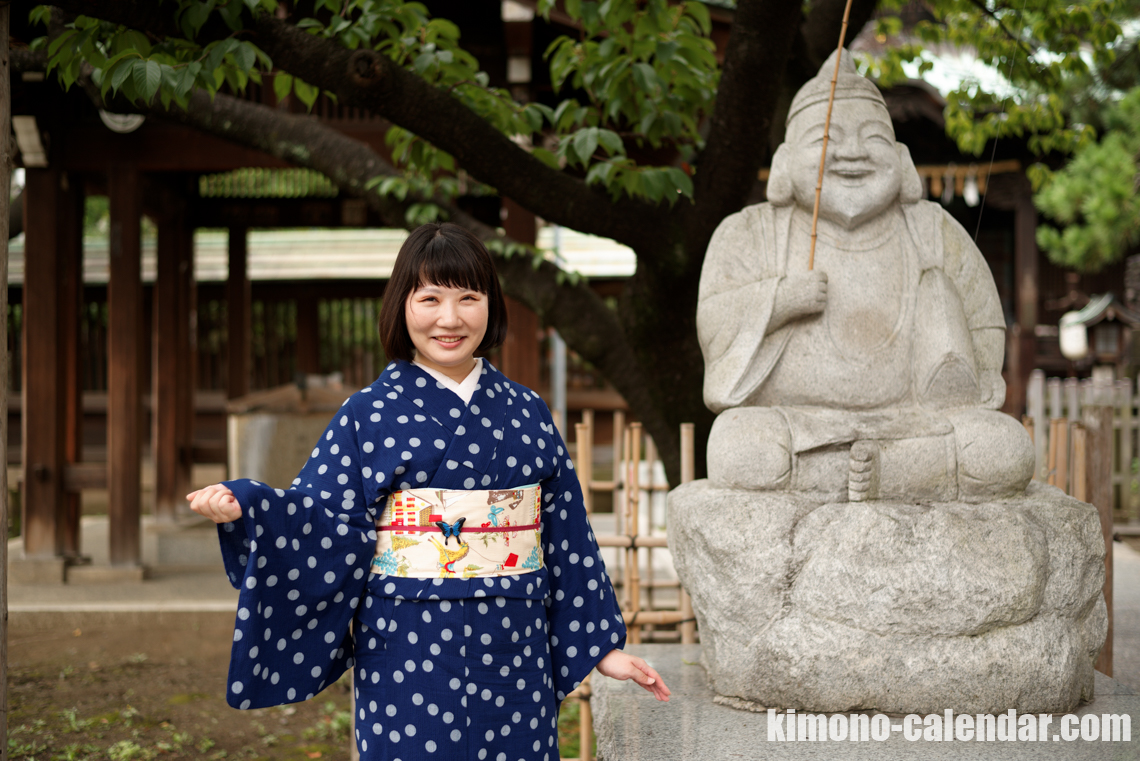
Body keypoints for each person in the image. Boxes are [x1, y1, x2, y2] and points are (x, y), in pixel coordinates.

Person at [189, 222, 669, 761]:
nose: (450, 318)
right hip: (405, 643)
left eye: (469, 297)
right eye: (431, 298)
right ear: (402, 305)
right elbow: (318, 518)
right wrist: (248, 508)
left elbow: (566, 538)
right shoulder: (367, 413)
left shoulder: (527, 410)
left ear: (491, 306)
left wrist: (603, 650)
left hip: (514, 646)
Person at [696, 49, 1033, 503]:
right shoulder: (751, 233)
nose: (851, 152)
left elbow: (984, 321)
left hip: (915, 427)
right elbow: (712, 322)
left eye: (872, 137)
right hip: (803, 427)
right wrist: (780, 299)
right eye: (826, 139)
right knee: (738, 448)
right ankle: (894, 474)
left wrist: (961, 372)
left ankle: (886, 473)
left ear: (902, 159)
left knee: (1002, 448)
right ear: (784, 163)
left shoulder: (932, 229)